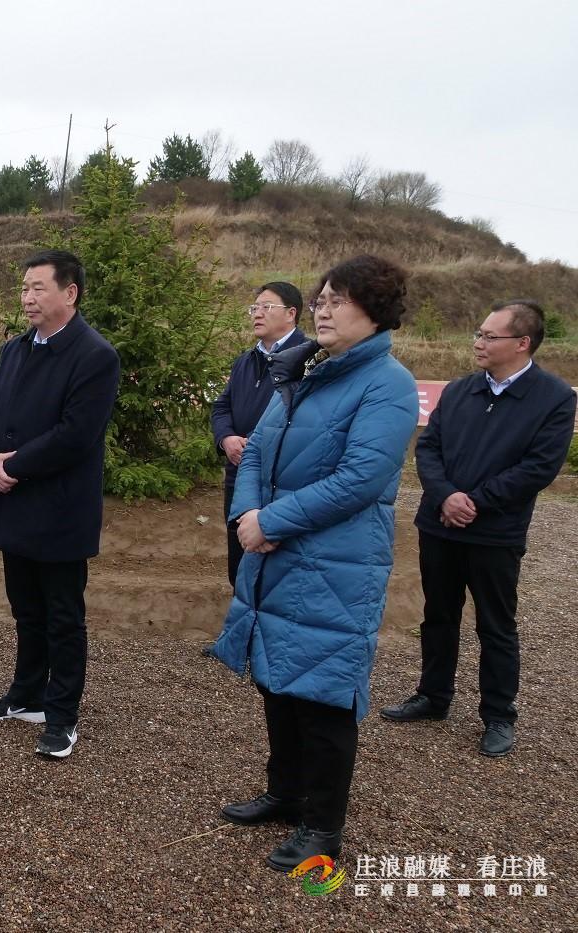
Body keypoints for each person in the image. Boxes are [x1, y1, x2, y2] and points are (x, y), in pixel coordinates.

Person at [212, 254, 418, 872]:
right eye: (321, 299)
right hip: (276, 555)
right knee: (276, 679)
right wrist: (248, 517)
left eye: (337, 301)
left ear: (375, 312)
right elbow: (254, 455)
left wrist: (270, 522)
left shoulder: (389, 384)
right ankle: (285, 793)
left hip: (334, 565)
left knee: (324, 695)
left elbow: (362, 479)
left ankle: (323, 827)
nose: (323, 309)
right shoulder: (305, 373)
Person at [381, 299, 576, 758]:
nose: (478, 342)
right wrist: (446, 496)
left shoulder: (553, 398)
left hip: (495, 532)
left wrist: (476, 503)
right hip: (440, 525)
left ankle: (498, 714)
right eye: (479, 333)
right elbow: (428, 449)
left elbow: (539, 467)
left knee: (496, 624)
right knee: (439, 614)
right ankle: (433, 696)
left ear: (522, 343)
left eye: (490, 336)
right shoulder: (460, 390)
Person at [0, 249, 121, 759]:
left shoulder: (94, 355)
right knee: (25, 608)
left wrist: (12, 466)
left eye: (38, 288)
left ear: (70, 292)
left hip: (57, 507)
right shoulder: (14, 350)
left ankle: (61, 714)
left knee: (62, 614)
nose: (27, 297)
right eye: (25, 288)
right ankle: (26, 693)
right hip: (13, 501)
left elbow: (76, 435)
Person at [210, 283, 308, 585]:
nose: (257, 314)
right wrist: (227, 438)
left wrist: (255, 445)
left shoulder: (309, 362)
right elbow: (222, 407)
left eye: (267, 307)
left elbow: (303, 419)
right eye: (254, 308)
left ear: (291, 314)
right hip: (238, 475)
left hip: (281, 479)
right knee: (239, 568)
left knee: (277, 572)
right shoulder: (245, 361)